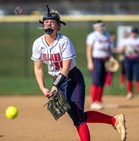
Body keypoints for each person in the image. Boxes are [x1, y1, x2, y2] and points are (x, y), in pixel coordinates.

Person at [31, 6, 127, 141]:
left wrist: (54, 86)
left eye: (52, 22)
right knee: (77, 115)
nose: (48, 24)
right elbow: (38, 67)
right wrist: (42, 88)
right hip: (58, 81)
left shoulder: (64, 42)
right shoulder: (38, 43)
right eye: (46, 22)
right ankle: (114, 120)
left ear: (58, 26)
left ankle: (114, 120)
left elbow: (65, 68)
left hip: (72, 79)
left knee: (78, 119)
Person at [86, 20, 114, 109]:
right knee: (96, 81)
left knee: (102, 81)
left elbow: (110, 49)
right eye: (99, 26)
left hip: (106, 60)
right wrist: (90, 62)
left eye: (102, 25)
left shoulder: (107, 35)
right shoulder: (92, 36)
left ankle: (99, 100)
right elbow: (88, 50)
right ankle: (94, 101)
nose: (101, 27)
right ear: (95, 27)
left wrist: (111, 59)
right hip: (96, 60)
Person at [117, 27, 139, 100]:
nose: (134, 34)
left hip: (136, 59)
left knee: (138, 76)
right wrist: (123, 49)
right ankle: (130, 93)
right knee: (129, 76)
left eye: (135, 32)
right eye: (133, 32)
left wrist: (136, 49)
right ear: (131, 33)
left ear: (136, 33)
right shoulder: (126, 41)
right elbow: (120, 50)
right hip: (128, 59)